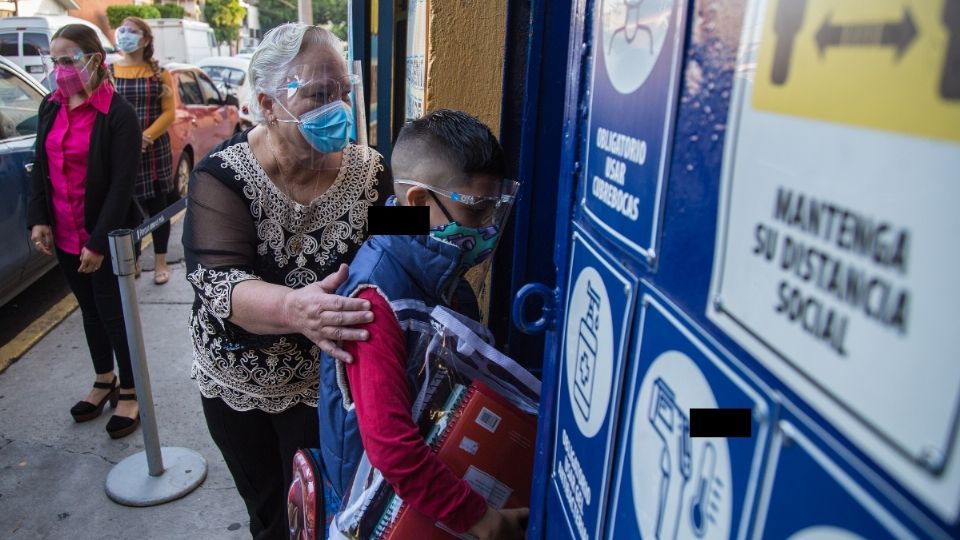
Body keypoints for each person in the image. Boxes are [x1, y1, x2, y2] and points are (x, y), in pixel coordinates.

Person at [181, 23, 393, 539]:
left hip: (332, 382)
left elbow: (397, 237)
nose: (338, 107)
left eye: (343, 91)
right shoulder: (220, 176)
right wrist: (296, 310)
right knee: (273, 515)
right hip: (241, 380)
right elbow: (218, 280)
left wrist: (443, 225)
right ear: (267, 104)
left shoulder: (370, 173)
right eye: (319, 94)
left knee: (327, 510)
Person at [318, 109, 527, 539]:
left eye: (495, 208)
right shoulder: (374, 300)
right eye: (477, 209)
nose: (488, 226)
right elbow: (392, 449)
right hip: (375, 511)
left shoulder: (438, 269)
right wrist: (479, 519)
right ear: (417, 202)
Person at [27, 24, 142, 438]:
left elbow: (120, 185)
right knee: (89, 312)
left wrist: (97, 242)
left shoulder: (118, 115)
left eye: (69, 59)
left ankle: (131, 390)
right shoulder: (50, 107)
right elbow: (41, 167)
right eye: (55, 61)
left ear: (94, 59)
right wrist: (38, 218)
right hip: (63, 233)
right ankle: (103, 378)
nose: (61, 69)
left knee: (115, 314)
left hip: (104, 238)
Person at [111, 16, 177, 285]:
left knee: (158, 209)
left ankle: (160, 262)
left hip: (153, 150)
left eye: (132, 31)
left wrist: (145, 137)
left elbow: (169, 113)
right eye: (122, 30)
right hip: (121, 152)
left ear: (146, 39)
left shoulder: (159, 73)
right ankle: (135, 260)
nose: (125, 34)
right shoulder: (109, 71)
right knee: (129, 210)